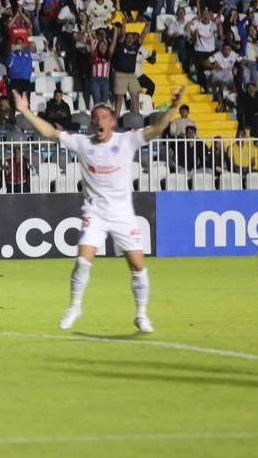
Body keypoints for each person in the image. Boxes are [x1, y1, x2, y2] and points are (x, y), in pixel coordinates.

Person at [14, 87, 184, 333]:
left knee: (137, 266)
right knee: (83, 260)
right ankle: (75, 307)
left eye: (104, 117)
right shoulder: (83, 143)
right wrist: (26, 111)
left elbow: (157, 129)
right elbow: (50, 132)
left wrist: (173, 107)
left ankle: (141, 315)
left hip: (122, 214)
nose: (98, 121)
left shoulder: (127, 140)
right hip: (95, 212)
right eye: (95, 118)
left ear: (113, 121)